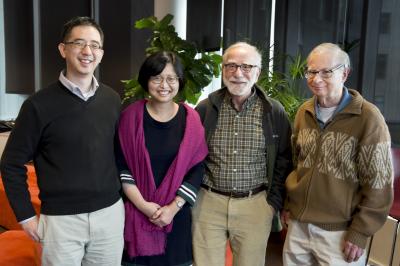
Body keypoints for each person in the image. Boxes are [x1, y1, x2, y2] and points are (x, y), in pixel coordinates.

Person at [0, 17, 124, 265]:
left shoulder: (112, 99)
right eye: (79, 43)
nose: (87, 51)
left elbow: (119, 155)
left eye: (94, 45)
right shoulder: (37, 105)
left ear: (101, 53)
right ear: (63, 49)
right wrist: (25, 216)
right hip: (60, 221)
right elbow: (11, 163)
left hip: (109, 215)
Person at [282, 43, 394, 265]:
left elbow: (379, 182)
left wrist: (360, 231)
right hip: (298, 227)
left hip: (339, 233)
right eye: (312, 71)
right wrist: (288, 205)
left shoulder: (368, 118)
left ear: (345, 73)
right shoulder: (304, 112)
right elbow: (295, 164)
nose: (317, 78)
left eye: (326, 71)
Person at [192, 42, 293, 266]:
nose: (238, 73)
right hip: (208, 203)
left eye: (246, 67)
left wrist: (273, 202)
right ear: (223, 70)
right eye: (231, 66)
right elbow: (192, 156)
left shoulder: (273, 111)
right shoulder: (206, 108)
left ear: (257, 72)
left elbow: (285, 158)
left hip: (255, 205)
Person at [118, 51, 208, 266]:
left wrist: (172, 208)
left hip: (176, 220)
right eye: (156, 78)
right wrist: (144, 206)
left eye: (171, 78)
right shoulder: (130, 117)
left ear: (180, 81)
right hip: (137, 217)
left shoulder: (191, 119)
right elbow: (122, 166)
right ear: (146, 80)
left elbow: (197, 168)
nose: (164, 85)